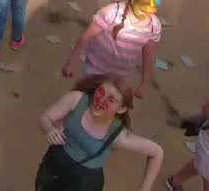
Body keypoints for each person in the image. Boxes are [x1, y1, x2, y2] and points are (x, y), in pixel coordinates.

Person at [35, 76, 164, 191]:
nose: (102, 100)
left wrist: (145, 188)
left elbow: (157, 152)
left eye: (111, 99)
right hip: (53, 168)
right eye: (101, 92)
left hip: (84, 184)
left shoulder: (118, 135)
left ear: (122, 109)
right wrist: (49, 129)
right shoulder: (76, 99)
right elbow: (45, 117)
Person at [62, 0, 162, 98]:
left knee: (109, 107)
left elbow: (149, 54)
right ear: (133, 1)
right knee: (87, 99)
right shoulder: (112, 12)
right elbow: (87, 36)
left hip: (122, 77)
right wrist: (71, 62)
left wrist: (144, 84)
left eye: (152, 12)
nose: (148, 16)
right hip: (96, 69)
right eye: (143, 11)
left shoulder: (154, 26)